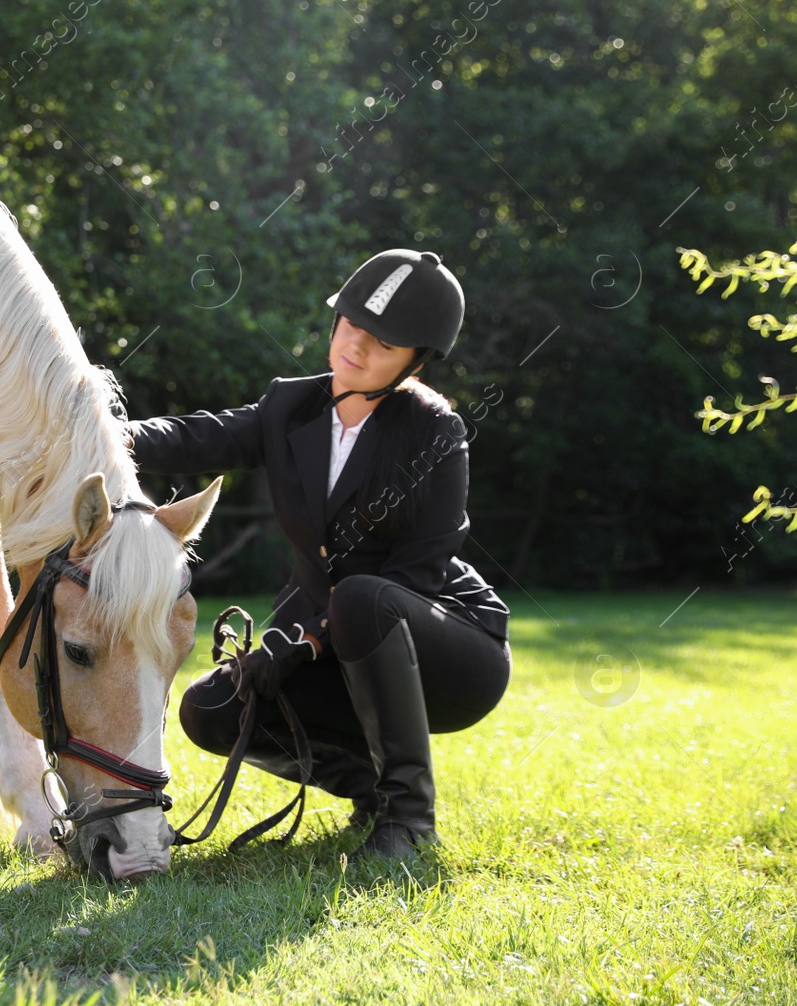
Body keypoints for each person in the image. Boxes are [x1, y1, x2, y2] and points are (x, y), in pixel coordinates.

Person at [126, 249, 511, 859]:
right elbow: (200, 435)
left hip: (444, 649)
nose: (356, 348)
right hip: (333, 639)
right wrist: (99, 429)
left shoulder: (437, 433)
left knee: (363, 597)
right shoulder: (288, 406)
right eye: (352, 326)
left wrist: (302, 644)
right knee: (211, 709)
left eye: (382, 343)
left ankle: (409, 820)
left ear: (417, 361)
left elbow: (415, 575)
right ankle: (371, 790)